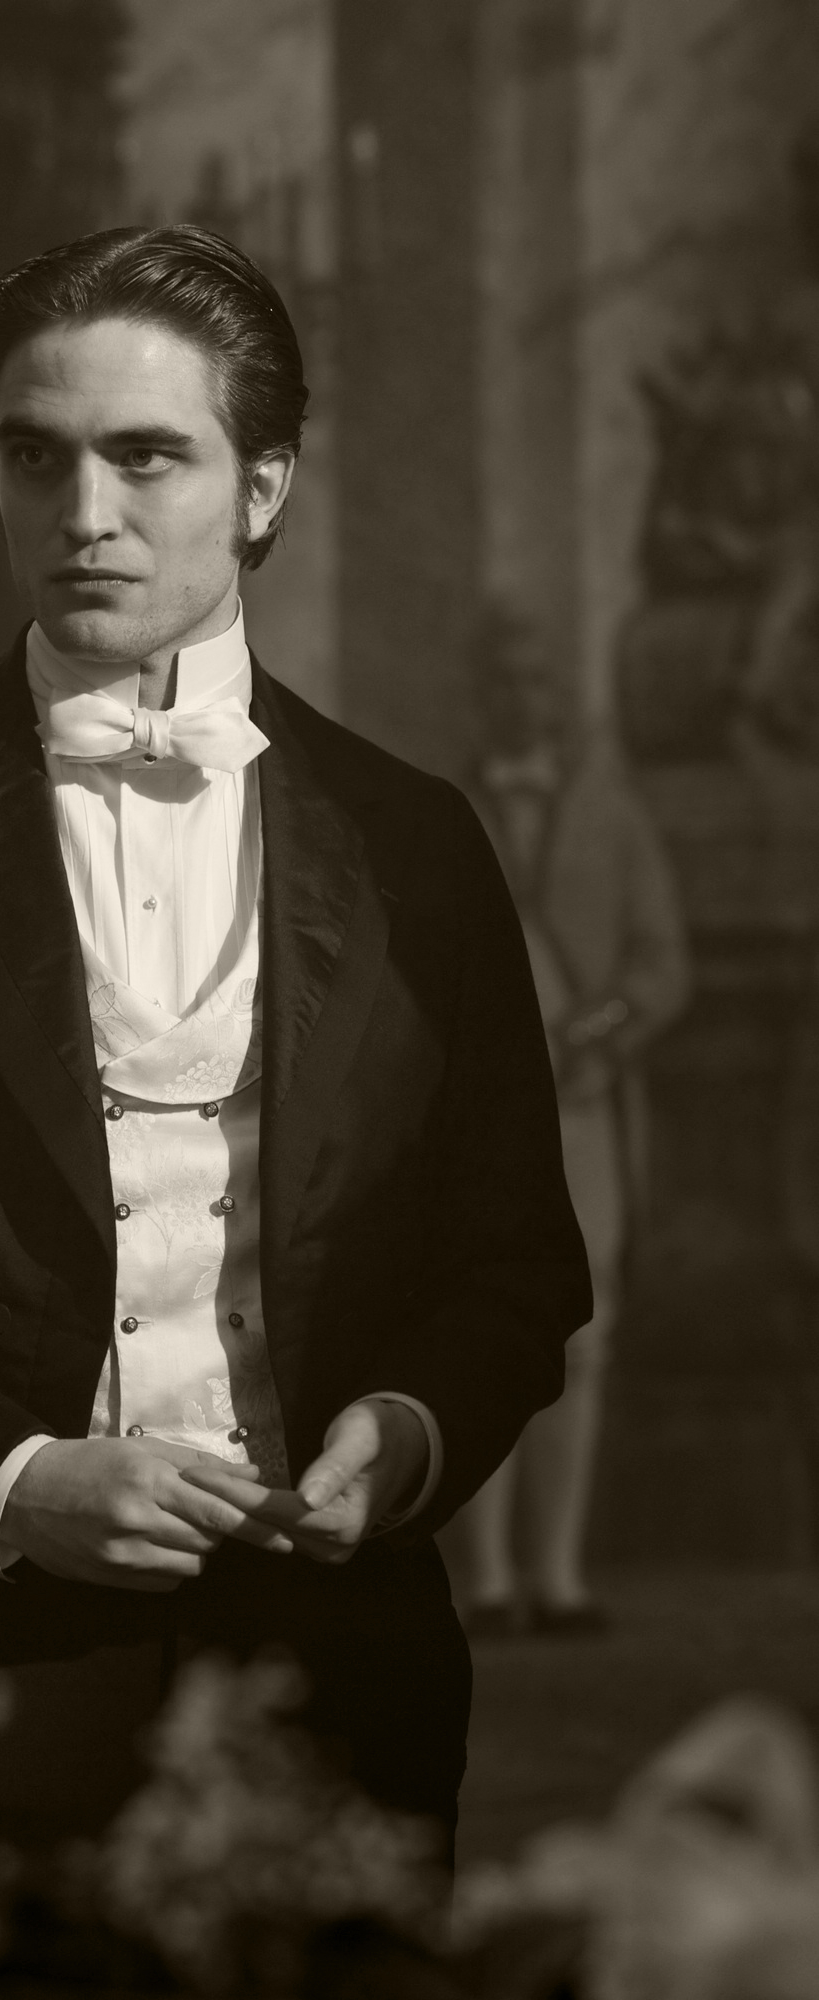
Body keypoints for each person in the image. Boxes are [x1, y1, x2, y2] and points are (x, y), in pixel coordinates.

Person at [0, 227, 589, 1854]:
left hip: (335, 1686)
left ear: (263, 486)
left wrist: (409, 1433)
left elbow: (513, 1261)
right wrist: (8, 1482)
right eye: (35, 456)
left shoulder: (414, 845)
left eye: (146, 457)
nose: (82, 513)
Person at [459, 605, 690, 1636]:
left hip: (584, 1108)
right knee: (477, 1327)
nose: (524, 699)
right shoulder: (438, 808)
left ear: (561, 695)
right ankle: (488, 1578)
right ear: (480, 695)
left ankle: (557, 1576)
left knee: (581, 1336)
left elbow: (661, 963)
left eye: (539, 680)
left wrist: (593, 1033)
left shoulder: (612, 816)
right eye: (504, 681)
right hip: (470, 1118)